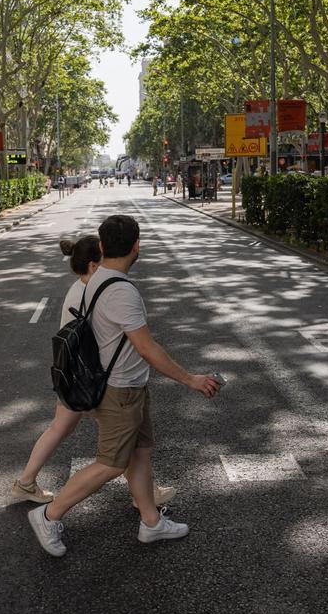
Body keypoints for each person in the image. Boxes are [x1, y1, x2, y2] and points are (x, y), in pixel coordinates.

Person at [27, 215, 221, 557]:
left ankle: (151, 521)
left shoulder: (96, 279)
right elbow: (146, 347)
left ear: (102, 248)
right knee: (112, 463)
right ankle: (49, 514)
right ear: (136, 246)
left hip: (126, 385)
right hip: (120, 390)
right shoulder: (121, 291)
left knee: (140, 452)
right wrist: (190, 379)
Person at [12, 237, 177, 508]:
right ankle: (145, 495)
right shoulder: (93, 291)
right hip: (91, 378)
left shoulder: (81, 288)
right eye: (103, 260)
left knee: (62, 428)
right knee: (123, 435)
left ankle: (26, 482)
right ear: (93, 264)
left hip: (74, 372)